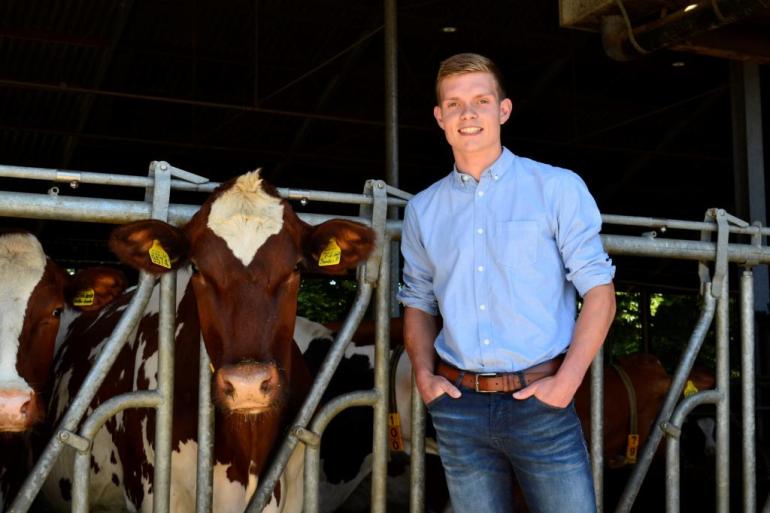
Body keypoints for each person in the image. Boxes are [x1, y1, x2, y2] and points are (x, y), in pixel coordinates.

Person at [397, 52, 616, 513]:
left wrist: (568, 382)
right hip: (459, 407)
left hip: (543, 400)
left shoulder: (556, 187)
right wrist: (422, 373)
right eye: (454, 104)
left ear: (504, 109)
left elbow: (600, 291)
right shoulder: (423, 209)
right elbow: (417, 301)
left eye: (480, 100)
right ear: (439, 117)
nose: (468, 113)